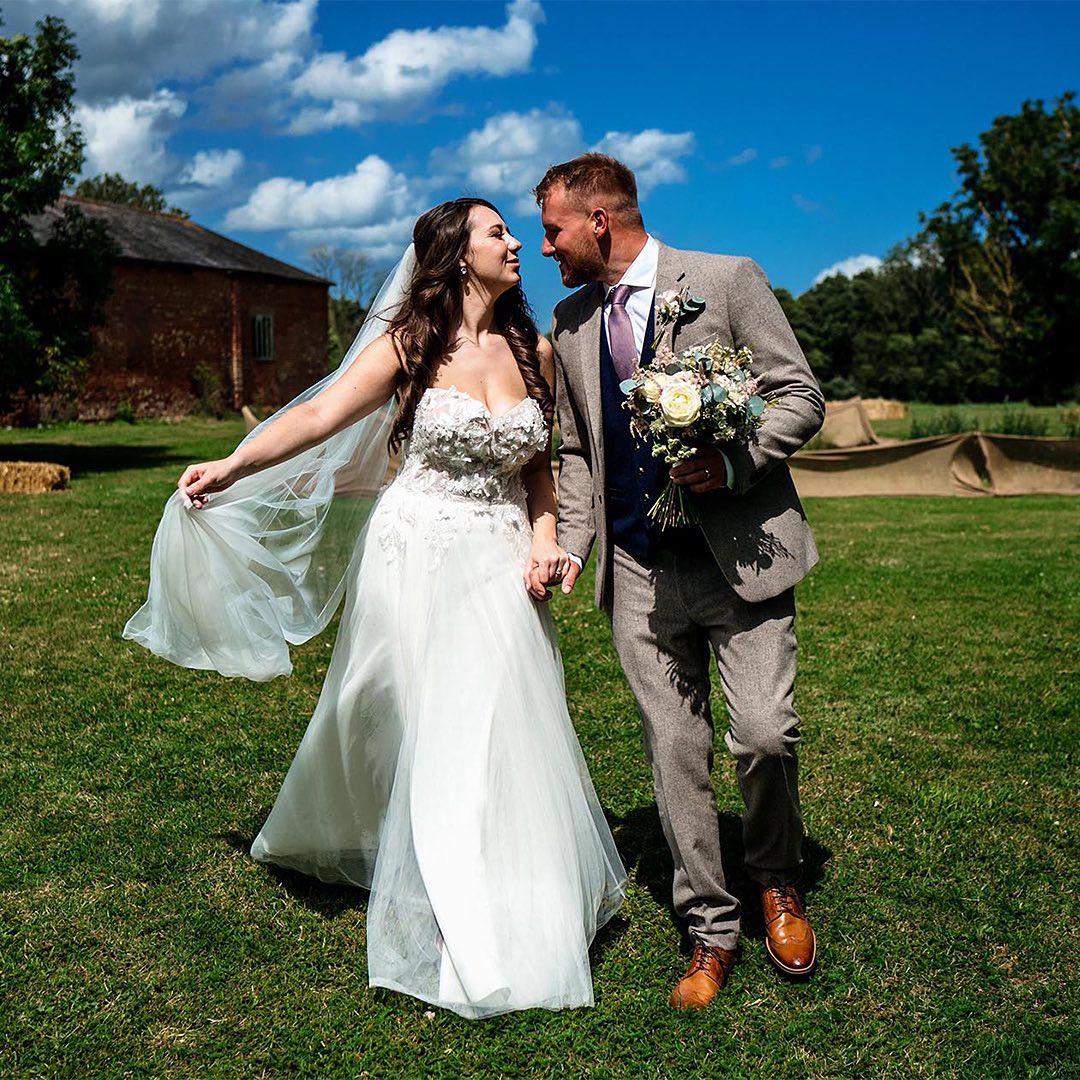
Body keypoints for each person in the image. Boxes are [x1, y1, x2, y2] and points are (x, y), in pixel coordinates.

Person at [124, 198, 626, 1019]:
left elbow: (542, 471)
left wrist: (543, 539)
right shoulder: (411, 344)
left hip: (500, 558)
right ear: (458, 255)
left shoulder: (531, 349)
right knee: (422, 715)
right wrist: (234, 464)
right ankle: (432, 889)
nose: (515, 244)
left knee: (498, 718)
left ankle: (504, 876)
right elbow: (320, 415)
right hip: (418, 550)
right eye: (497, 232)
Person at [532, 154, 824, 1009]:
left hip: (744, 556)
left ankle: (777, 877)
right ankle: (710, 924)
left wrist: (734, 461)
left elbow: (799, 394)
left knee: (765, 734)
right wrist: (577, 547)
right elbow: (579, 449)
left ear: (598, 221)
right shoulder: (571, 319)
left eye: (553, 229)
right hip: (637, 570)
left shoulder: (728, 280)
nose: (546, 247)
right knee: (674, 752)